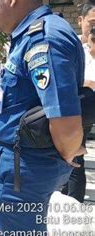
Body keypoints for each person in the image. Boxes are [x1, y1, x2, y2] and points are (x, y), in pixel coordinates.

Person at [0, 1, 85, 236]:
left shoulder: (43, 38)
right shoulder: (28, 35)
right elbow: (30, 92)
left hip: (22, 172)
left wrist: (67, 152)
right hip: (21, 165)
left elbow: (67, 124)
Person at [60, 4, 95, 203]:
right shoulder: (71, 46)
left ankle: (73, 202)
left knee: (74, 156)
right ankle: (68, 199)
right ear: (80, 21)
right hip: (72, 106)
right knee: (71, 156)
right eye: (92, 23)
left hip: (86, 107)